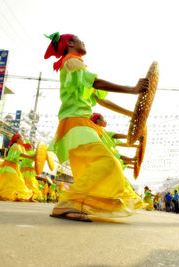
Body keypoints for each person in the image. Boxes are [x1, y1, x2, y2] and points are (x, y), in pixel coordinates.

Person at [44, 32, 147, 221]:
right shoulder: (72, 61)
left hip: (78, 125)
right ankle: (66, 203)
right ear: (70, 43)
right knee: (109, 163)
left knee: (89, 170)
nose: (83, 41)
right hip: (76, 124)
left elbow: (101, 99)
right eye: (79, 38)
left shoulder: (75, 64)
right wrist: (132, 89)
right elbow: (95, 81)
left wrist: (134, 115)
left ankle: (75, 205)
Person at [0, 134, 34, 201]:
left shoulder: (20, 146)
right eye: (22, 138)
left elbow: (23, 155)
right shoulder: (16, 146)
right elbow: (20, 154)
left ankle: (13, 195)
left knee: (13, 183)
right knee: (16, 182)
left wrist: (32, 157)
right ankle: (3, 195)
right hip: (9, 166)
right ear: (17, 139)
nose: (23, 139)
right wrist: (31, 157)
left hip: (13, 167)